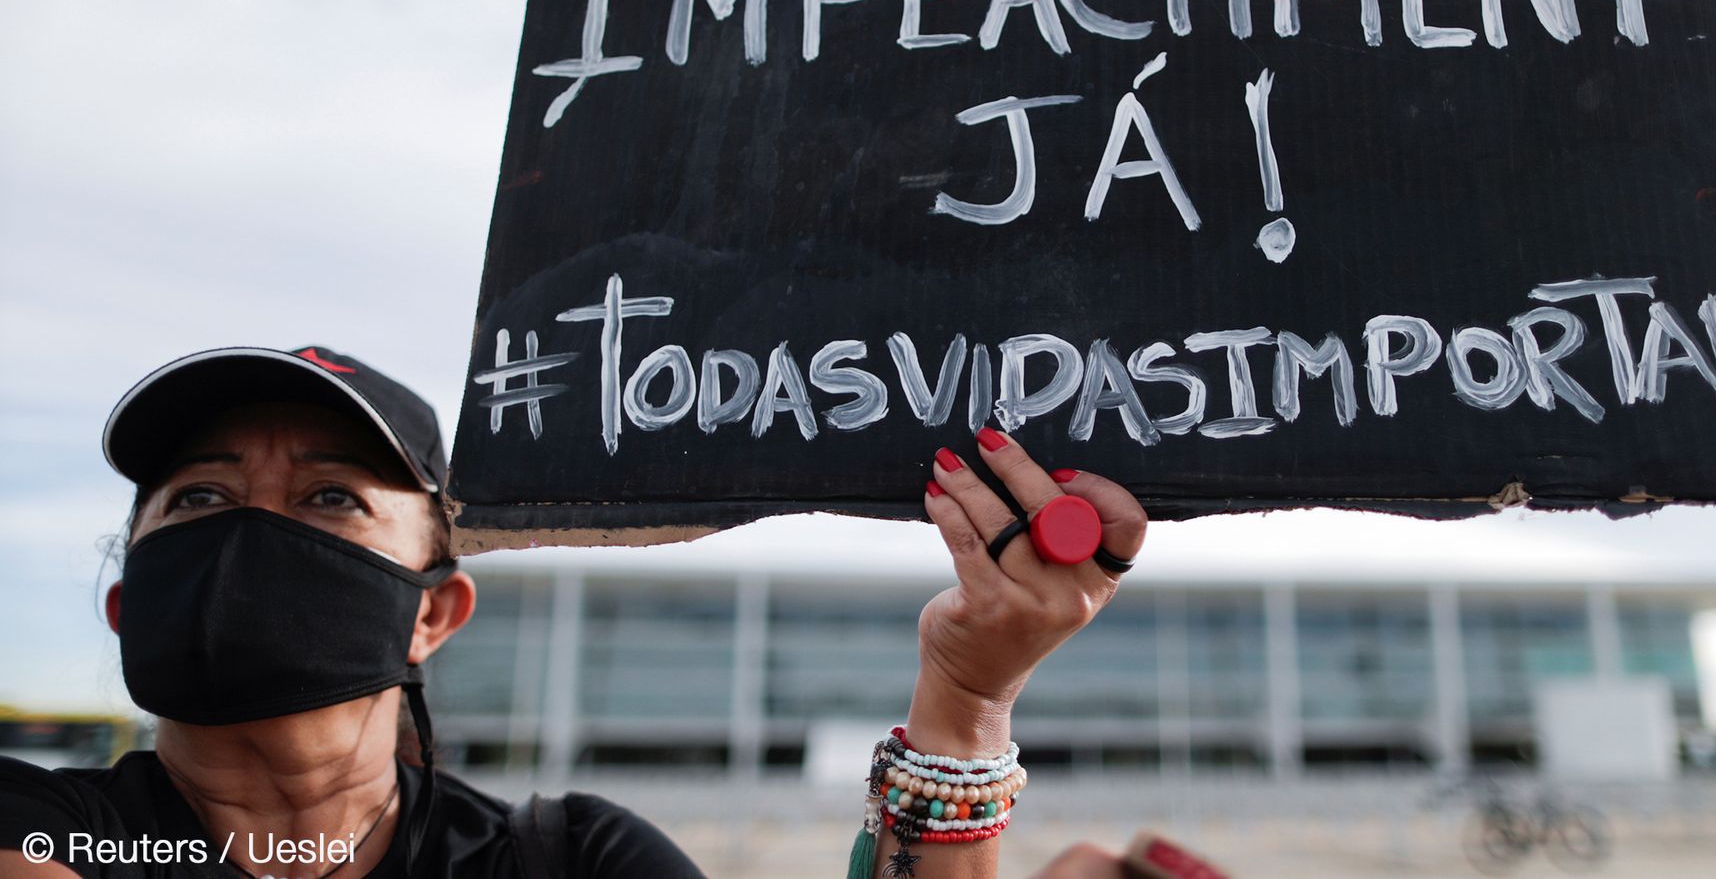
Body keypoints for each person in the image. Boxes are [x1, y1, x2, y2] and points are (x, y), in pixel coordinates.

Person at [0, 346, 1146, 879]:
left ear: (434, 611)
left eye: (331, 498)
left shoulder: (571, 863)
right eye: (197, 498)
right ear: (121, 599)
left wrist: (969, 696)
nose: (251, 532)